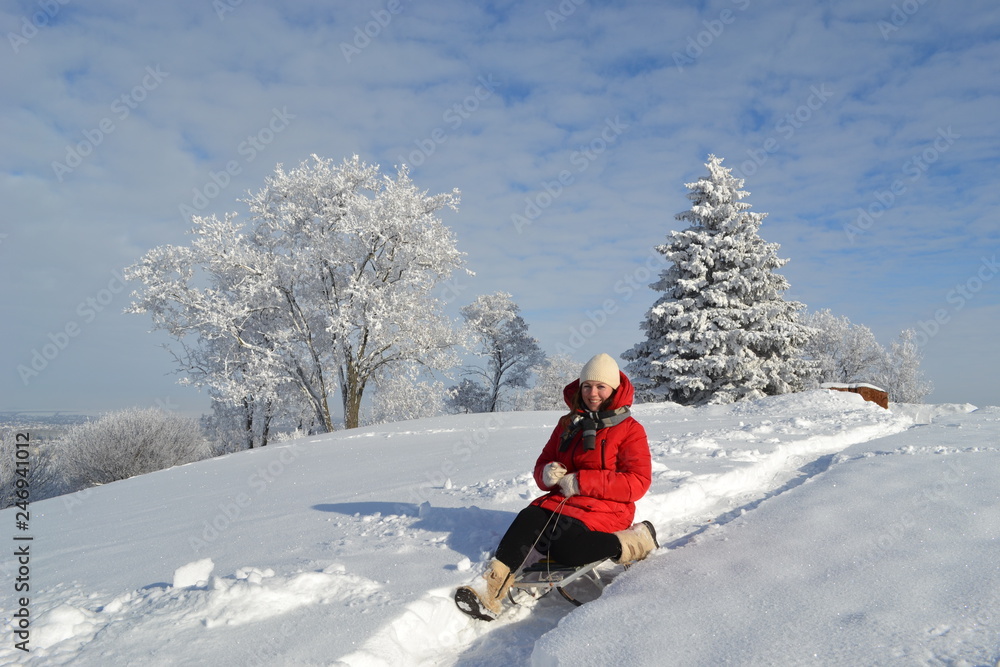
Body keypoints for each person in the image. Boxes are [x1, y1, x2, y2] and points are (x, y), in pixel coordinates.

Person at [454, 353, 659, 621]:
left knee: (567, 550)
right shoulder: (567, 425)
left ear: (614, 390)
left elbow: (637, 482)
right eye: (587, 386)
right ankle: (489, 590)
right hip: (562, 503)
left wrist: (582, 481)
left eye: (600, 387)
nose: (592, 393)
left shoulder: (630, 430)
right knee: (528, 520)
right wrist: (547, 474)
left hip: (607, 509)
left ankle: (634, 541)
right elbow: (542, 466)